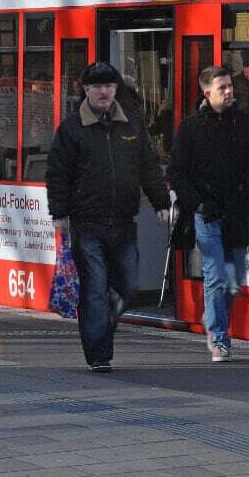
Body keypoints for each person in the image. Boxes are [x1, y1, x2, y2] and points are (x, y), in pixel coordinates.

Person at [46, 61, 171, 372]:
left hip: (124, 222)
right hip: (86, 223)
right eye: (97, 86)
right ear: (86, 90)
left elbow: (149, 167)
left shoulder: (132, 125)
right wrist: (59, 212)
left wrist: (161, 203)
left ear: (116, 89)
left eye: (109, 86)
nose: (104, 91)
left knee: (127, 286)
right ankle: (99, 355)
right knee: (95, 288)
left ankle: (102, 327)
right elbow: (58, 174)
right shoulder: (72, 128)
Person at [167, 65, 249, 363]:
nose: (229, 92)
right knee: (217, 277)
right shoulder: (191, 128)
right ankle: (219, 338)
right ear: (207, 92)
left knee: (234, 281)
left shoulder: (247, 124)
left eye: (230, 87)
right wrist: (196, 204)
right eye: (222, 88)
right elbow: (176, 173)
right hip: (207, 215)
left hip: (237, 213)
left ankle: (212, 317)